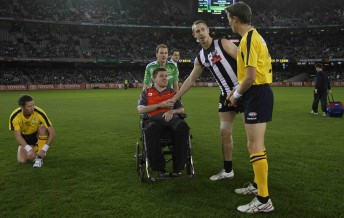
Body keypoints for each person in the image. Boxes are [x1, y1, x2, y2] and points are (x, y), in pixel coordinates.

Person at [169, 20, 241, 181]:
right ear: (194, 36)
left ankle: (258, 178)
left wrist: (241, 86)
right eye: (197, 31)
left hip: (243, 90)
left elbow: (243, 60)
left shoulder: (222, 43)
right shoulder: (200, 57)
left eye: (203, 29)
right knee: (224, 131)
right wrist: (175, 97)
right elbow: (190, 80)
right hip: (225, 95)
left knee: (252, 136)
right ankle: (228, 170)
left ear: (208, 30)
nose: (201, 33)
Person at [226, 2, 274, 213]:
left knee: (256, 146)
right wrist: (237, 89)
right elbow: (248, 76)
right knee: (253, 144)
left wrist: (236, 94)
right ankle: (257, 186)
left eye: (228, 18)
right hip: (256, 92)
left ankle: (264, 201)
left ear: (235, 19)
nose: (228, 22)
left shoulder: (248, 39)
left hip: (256, 92)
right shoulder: (255, 36)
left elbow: (252, 77)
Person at [138, 68, 189, 177]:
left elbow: (181, 109)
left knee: (182, 126)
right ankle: (160, 168)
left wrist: (172, 111)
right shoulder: (146, 92)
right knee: (151, 129)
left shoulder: (172, 92)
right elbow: (140, 109)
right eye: (161, 76)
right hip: (153, 120)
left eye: (166, 76)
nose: (165, 78)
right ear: (154, 79)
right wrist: (159, 105)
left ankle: (178, 168)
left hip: (171, 119)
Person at [9, 94, 56, 168]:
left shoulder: (39, 112)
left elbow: (52, 133)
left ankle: (40, 156)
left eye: (33, 105)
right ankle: (35, 148)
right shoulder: (15, 116)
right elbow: (18, 136)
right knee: (22, 160)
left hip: (37, 134)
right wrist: (29, 149)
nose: (32, 108)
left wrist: (44, 149)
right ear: (22, 107)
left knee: (42, 127)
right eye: (29, 106)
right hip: (25, 137)